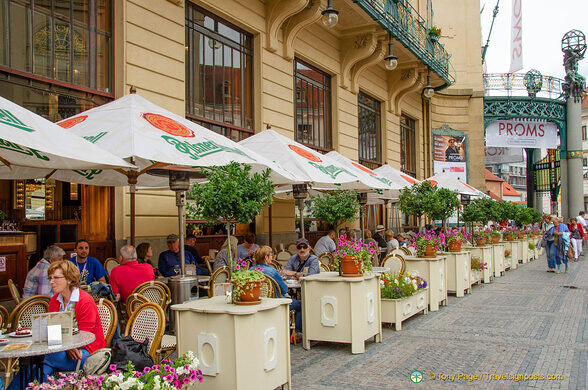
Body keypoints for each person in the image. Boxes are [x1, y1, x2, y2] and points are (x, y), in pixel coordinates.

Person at [46, 261, 105, 380]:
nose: (51, 282)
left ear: (69, 280)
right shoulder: (54, 301)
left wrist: (67, 346)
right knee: (38, 367)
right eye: (50, 278)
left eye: (56, 278)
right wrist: (66, 347)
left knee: (46, 359)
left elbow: (85, 336)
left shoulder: (84, 301)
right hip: (64, 349)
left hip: (88, 352)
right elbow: (53, 331)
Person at [253, 246, 302, 336]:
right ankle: (293, 334)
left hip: (258, 302)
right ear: (266, 257)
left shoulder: (251, 271)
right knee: (301, 305)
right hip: (275, 302)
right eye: (271, 255)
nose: (272, 257)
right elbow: (284, 289)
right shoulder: (272, 271)